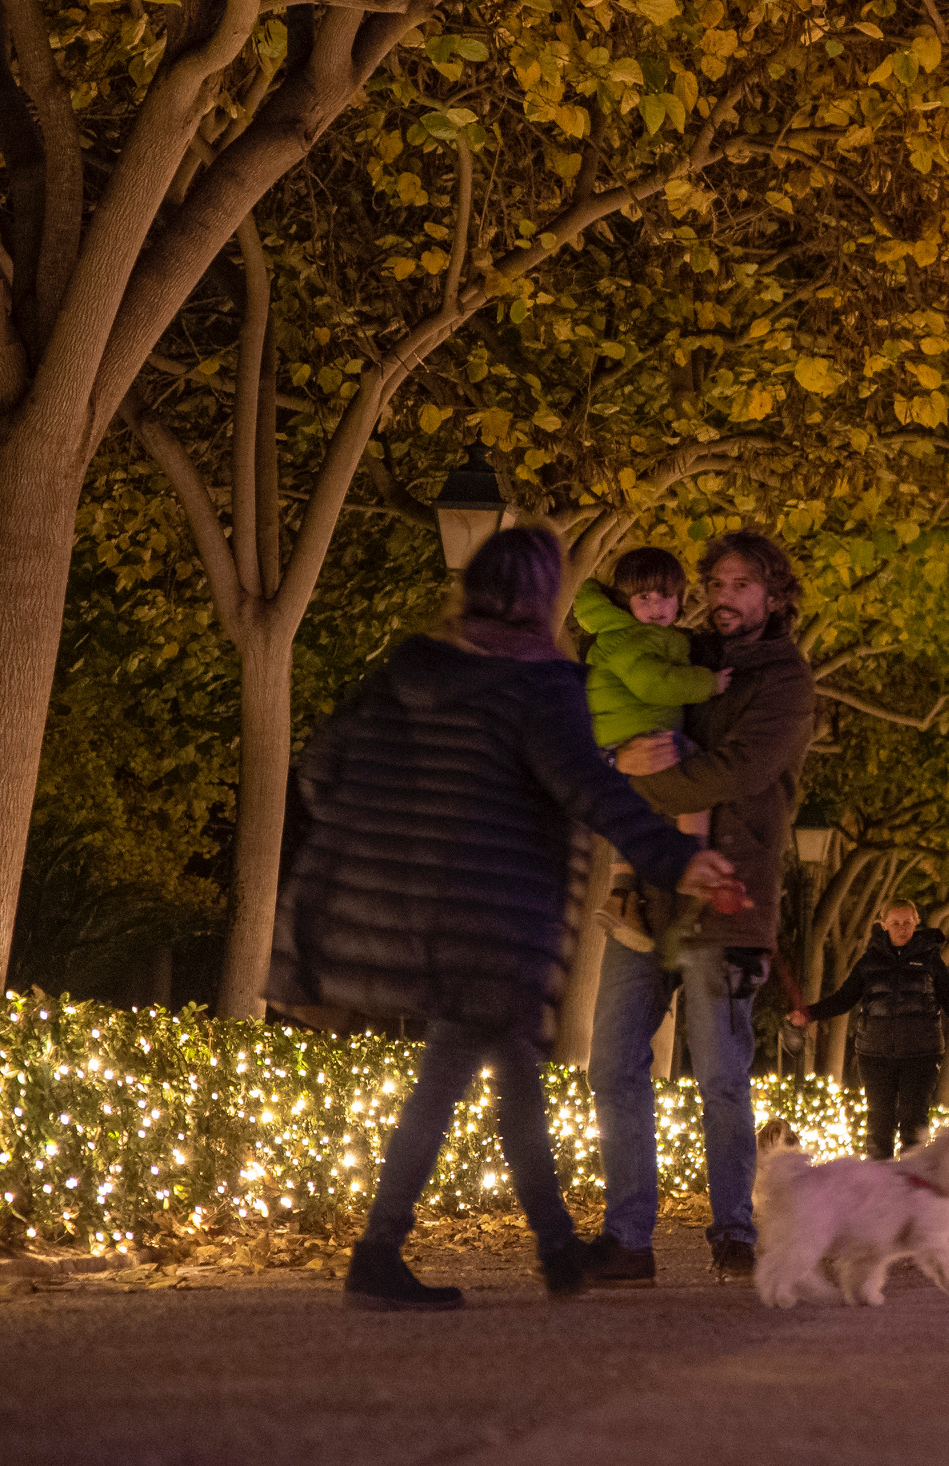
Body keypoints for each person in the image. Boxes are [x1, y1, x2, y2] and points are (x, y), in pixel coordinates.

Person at [271, 524, 741, 1311]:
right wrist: (675, 857)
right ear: (538, 598)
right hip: (496, 913)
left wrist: (397, 837)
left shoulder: (410, 668)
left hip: (418, 911)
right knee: (458, 1079)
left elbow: (323, 767)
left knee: (492, 1074)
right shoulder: (542, 684)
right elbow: (591, 791)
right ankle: (389, 1249)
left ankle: (551, 1250)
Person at [586, 531, 818, 1284]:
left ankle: (733, 1233)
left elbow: (736, 770)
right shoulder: (673, 652)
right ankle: (628, 1238)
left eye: (742, 584)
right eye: (715, 583)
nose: (723, 596)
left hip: (728, 891)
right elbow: (609, 711)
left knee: (720, 1076)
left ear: (774, 595)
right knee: (612, 1067)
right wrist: (612, 762)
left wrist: (629, 788)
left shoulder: (784, 680)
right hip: (645, 895)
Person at [790, 900, 949, 1159]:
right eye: (896, 923)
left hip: (921, 1054)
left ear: (916, 922)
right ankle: (881, 1184)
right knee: (879, 1121)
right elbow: (844, 999)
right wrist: (809, 1014)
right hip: (874, 1053)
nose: (902, 928)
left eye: (907, 923)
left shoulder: (931, 960)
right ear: (884, 925)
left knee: (914, 1118)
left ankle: (912, 1183)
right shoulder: (869, 961)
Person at [572, 546, 731, 756]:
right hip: (633, 738)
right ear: (624, 599)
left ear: (679, 599)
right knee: (705, 767)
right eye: (644, 597)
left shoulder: (647, 634)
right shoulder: (628, 638)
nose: (656, 607)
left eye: (665, 596)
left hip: (639, 731)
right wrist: (710, 683)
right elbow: (655, 682)